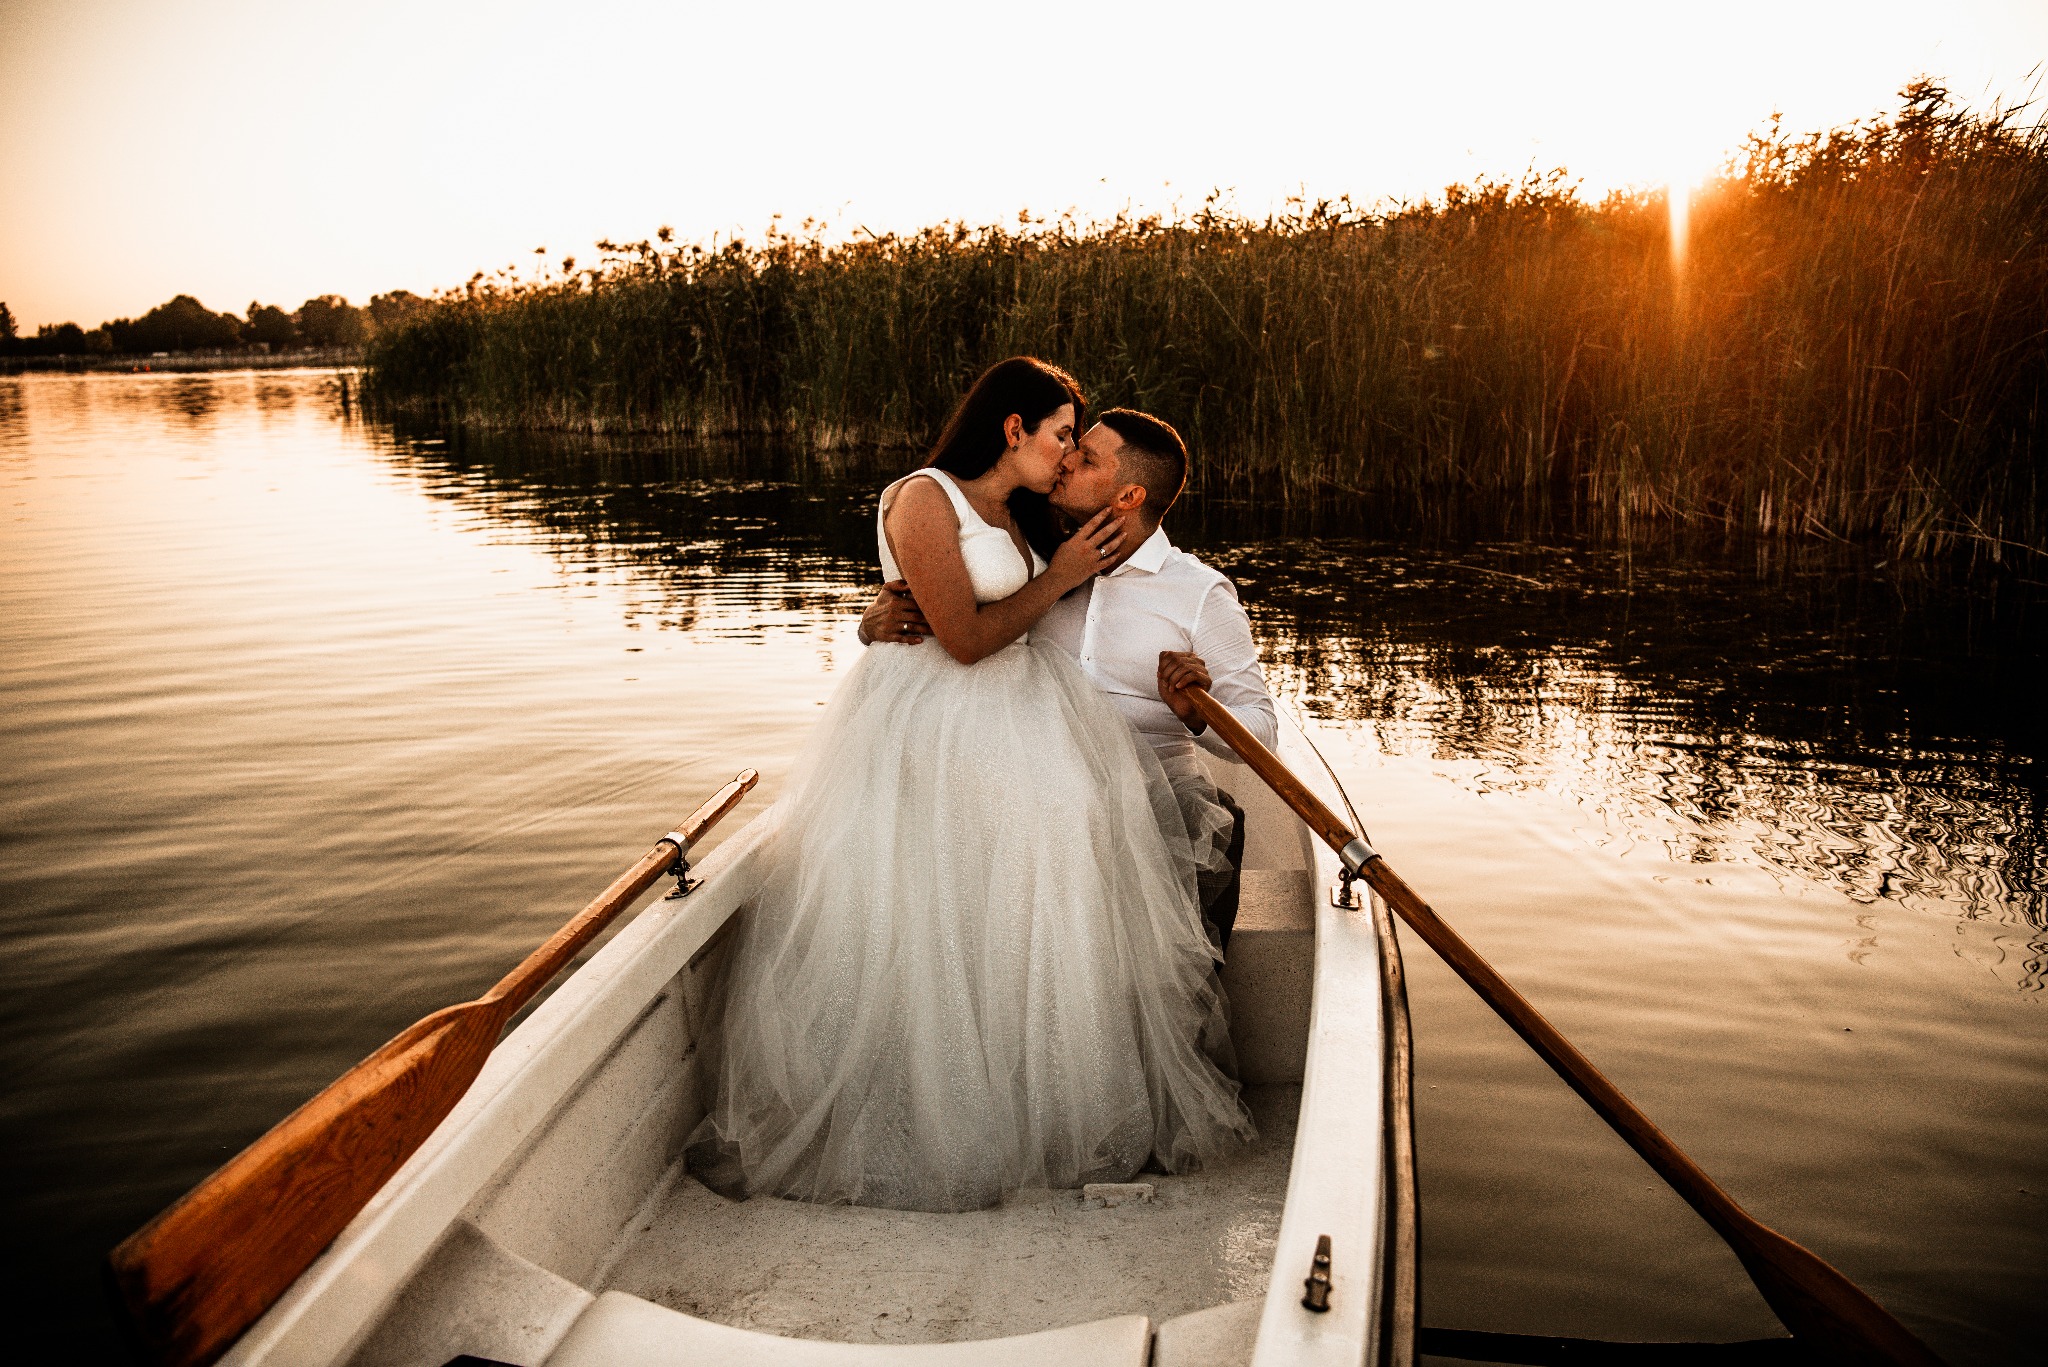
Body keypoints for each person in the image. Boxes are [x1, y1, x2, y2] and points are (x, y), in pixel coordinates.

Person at [691, 358, 1254, 1214]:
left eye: (1081, 447)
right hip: (937, 719)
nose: (1068, 458)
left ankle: (1049, 1096)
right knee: (933, 915)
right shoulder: (925, 494)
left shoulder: (1033, 514)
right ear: (1012, 429)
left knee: (1049, 868)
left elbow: (985, 591)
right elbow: (956, 632)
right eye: (1064, 435)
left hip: (1025, 719)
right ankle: (926, 1108)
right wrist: (877, 616)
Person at [861, 408, 1277, 958]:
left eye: (1086, 459)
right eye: (1071, 445)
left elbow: (1263, 736)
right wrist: (870, 625)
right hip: (1030, 787)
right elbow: (960, 625)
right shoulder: (1032, 561)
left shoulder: (1199, 595)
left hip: (1148, 791)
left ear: (1128, 497)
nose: (1065, 459)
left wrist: (1196, 715)